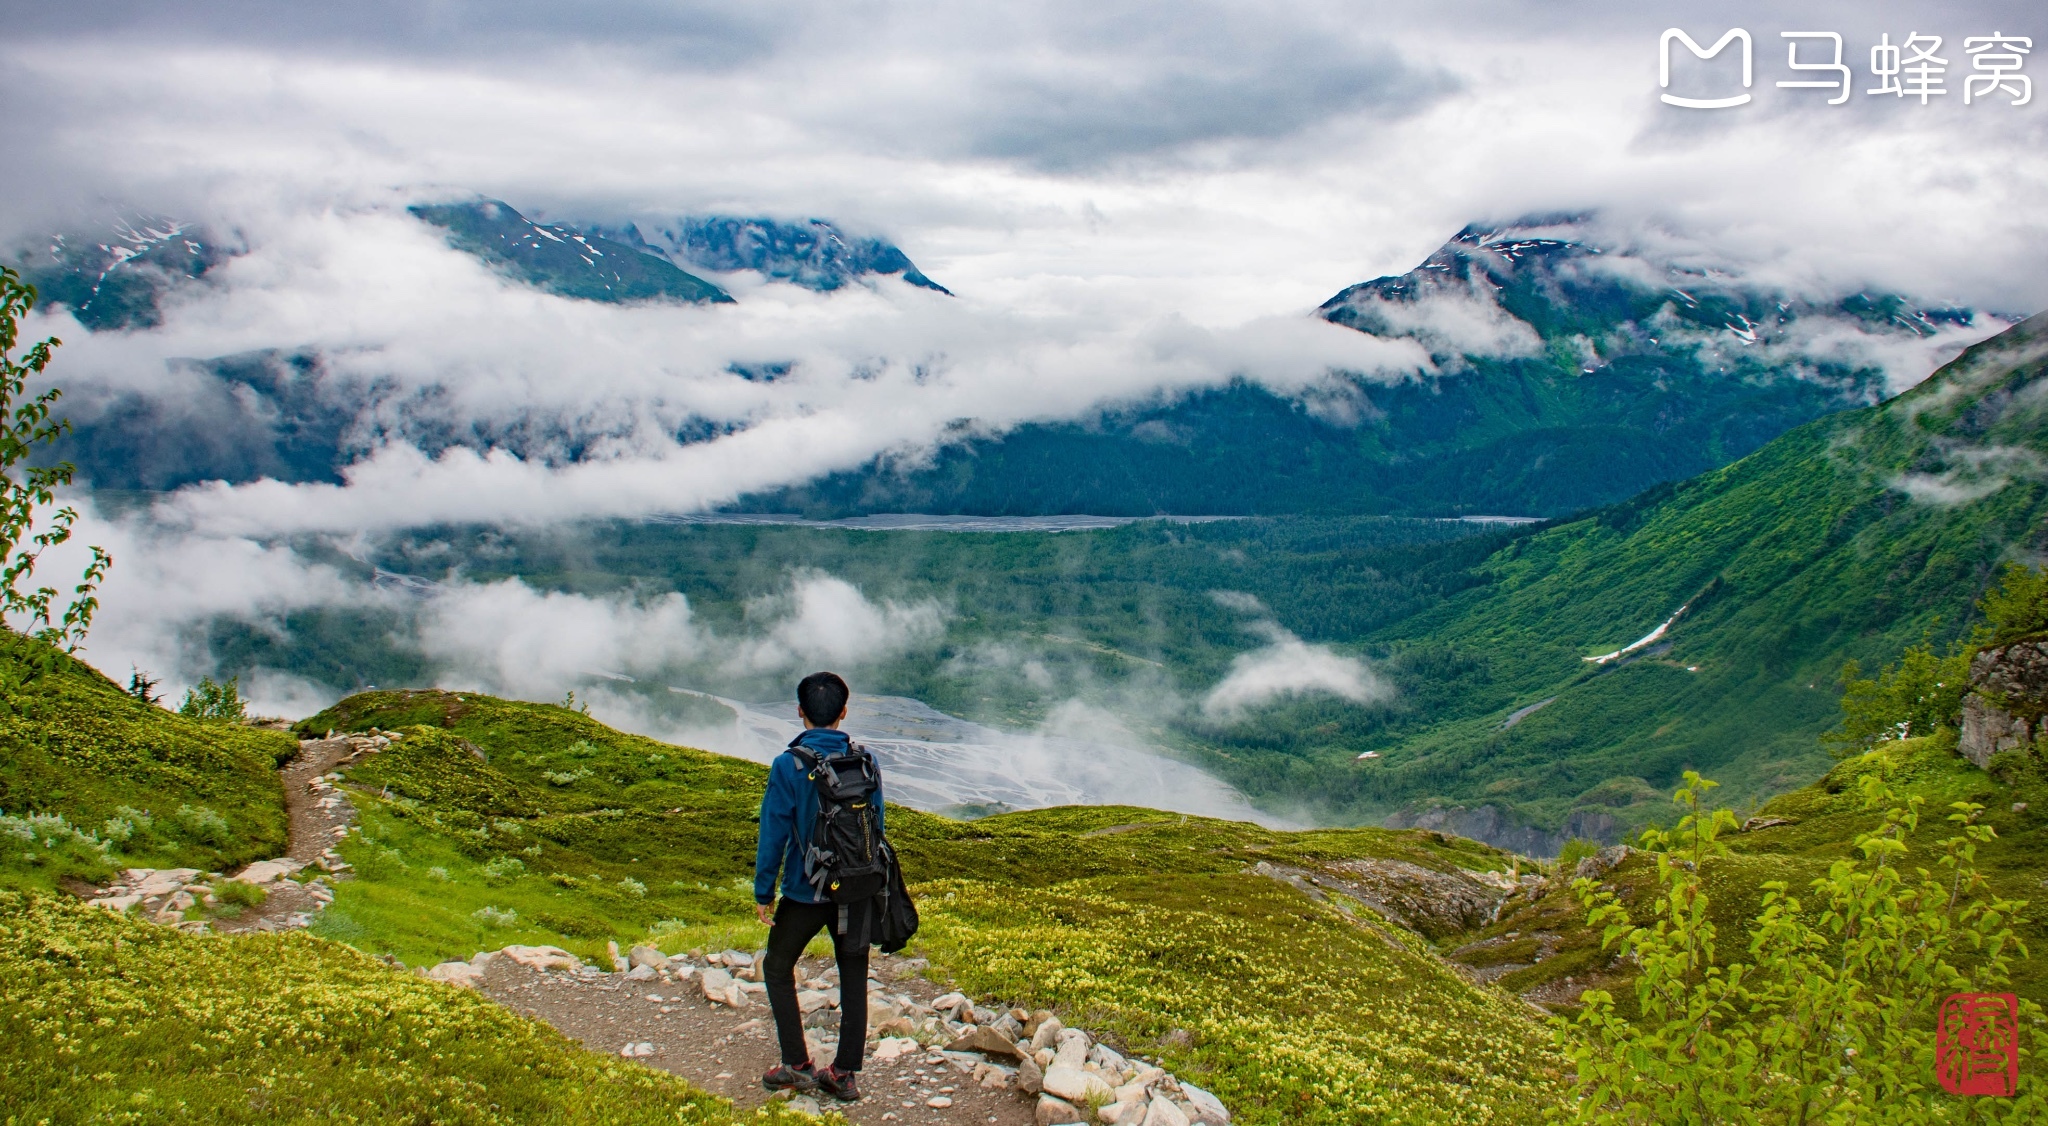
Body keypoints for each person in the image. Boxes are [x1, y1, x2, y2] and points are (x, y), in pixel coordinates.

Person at [754, 670, 883, 1102]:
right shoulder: (865, 761)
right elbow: (876, 827)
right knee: (853, 976)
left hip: (805, 891)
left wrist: (762, 892)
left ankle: (796, 1064)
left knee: (776, 966)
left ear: (800, 712)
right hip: (856, 890)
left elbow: (773, 833)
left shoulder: (788, 765)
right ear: (844, 713)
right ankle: (844, 1074)